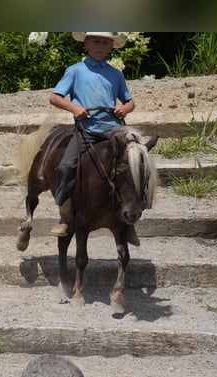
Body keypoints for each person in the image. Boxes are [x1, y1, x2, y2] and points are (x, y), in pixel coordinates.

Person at [48, 32, 140, 246]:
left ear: (111, 47)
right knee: (66, 165)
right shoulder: (75, 71)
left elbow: (130, 101)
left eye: (105, 43)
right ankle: (66, 214)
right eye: (96, 41)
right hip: (86, 129)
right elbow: (54, 97)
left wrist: (124, 108)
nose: (100, 45)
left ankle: (131, 222)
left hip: (114, 131)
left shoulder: (115, 74)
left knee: (136, 164)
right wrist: (74, 108)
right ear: (87, 43)